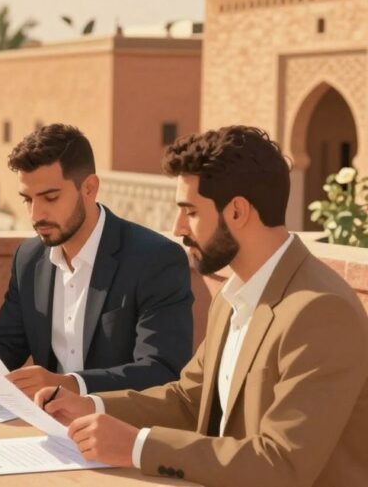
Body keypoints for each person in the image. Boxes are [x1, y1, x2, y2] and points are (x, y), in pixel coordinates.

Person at [37, 126, 368, 486]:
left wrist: (138, 446)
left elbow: (281, 463)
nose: (178, 227)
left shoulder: (320, 311)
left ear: (237, 211)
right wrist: (90, 405)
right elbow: (189, 399)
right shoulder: (232, 296)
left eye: (190, 211)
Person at [0, 124, 193, 399]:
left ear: (89, 188)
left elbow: (161, 369)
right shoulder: (29, 259)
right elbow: (7, 343)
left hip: (118, 421)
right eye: (27, 200)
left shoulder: (155, 259)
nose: (36, 214)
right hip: (43, 419)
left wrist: (71, 384)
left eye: (50, 198)